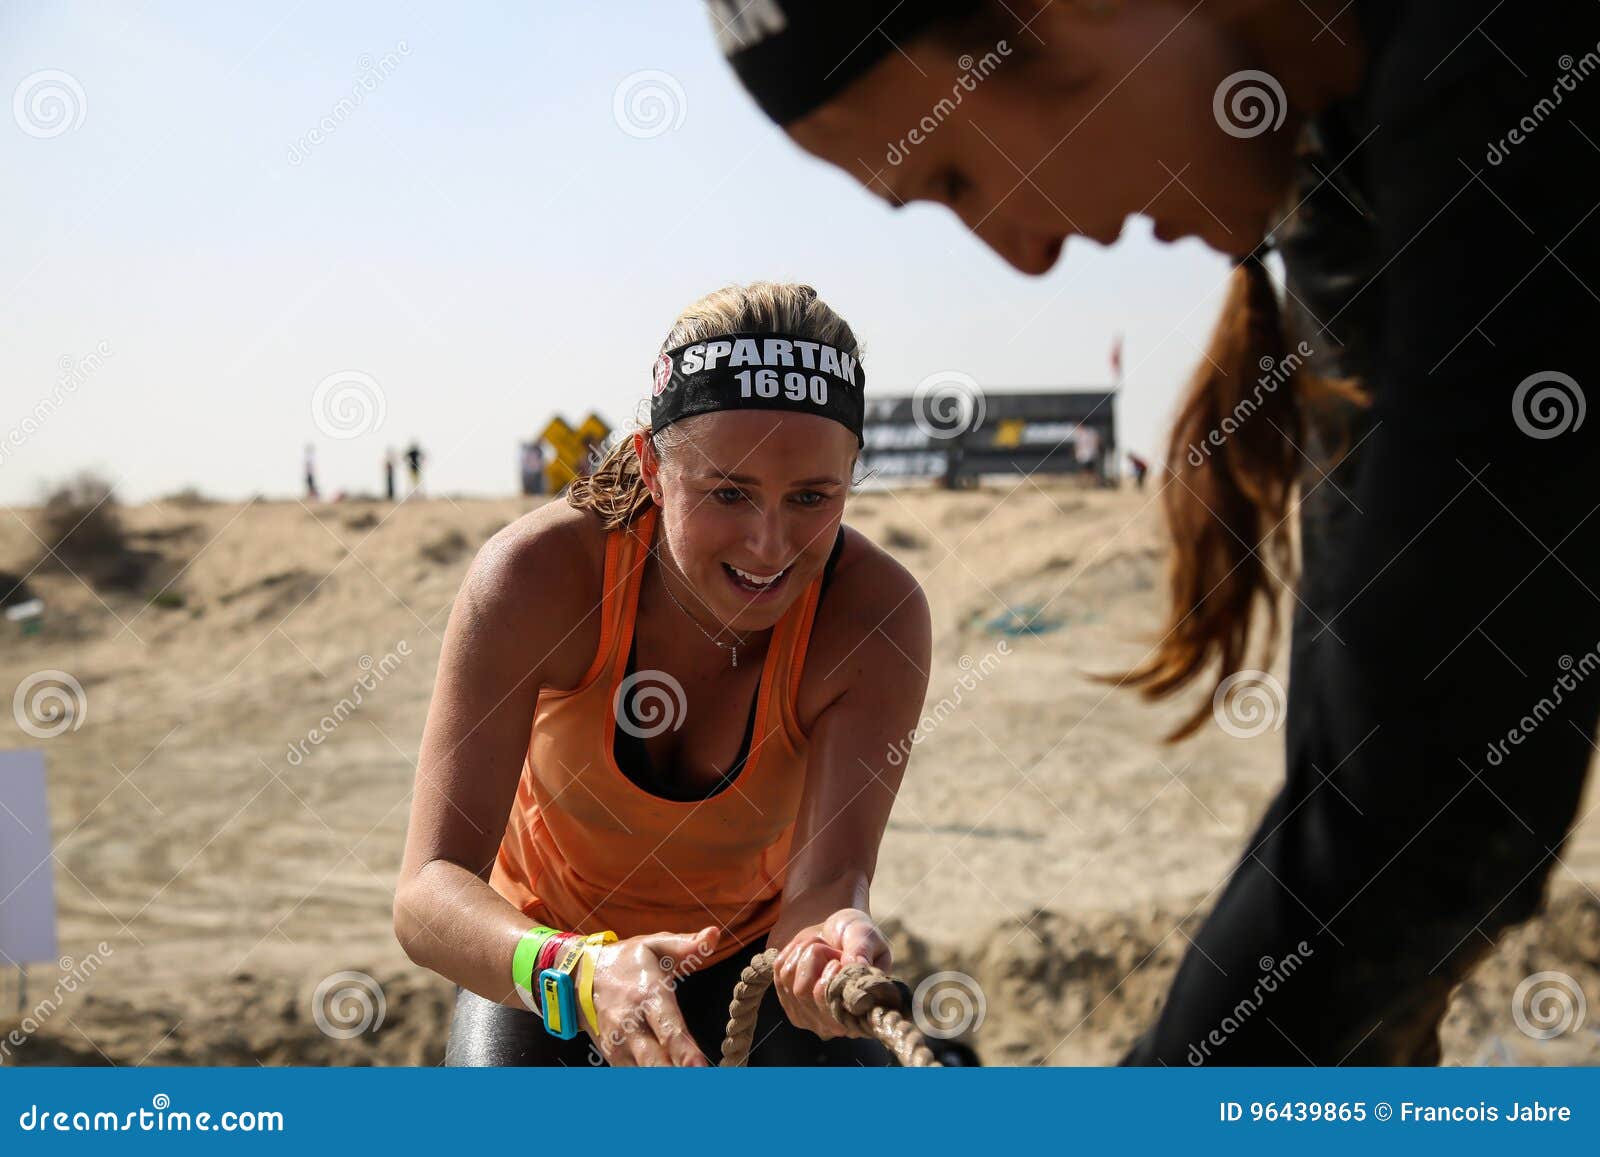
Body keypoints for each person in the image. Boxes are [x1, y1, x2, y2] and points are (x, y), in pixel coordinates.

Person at [709, 0, 1600, 1064]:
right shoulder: (1345, 163)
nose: (1024, 255)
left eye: (956, 178)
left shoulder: (1505, 64)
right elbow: (1369, 759)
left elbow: (1432, 785)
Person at [394, 282, 933, 1066]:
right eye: (728, 492)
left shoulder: (875, 617)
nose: (769, 544)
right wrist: (576, 973)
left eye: (813, 496)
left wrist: (827, 938)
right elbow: (427, 893)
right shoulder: (535, 579)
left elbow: (825, 886)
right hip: (546, 963)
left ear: (853, 475)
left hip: (746, 960)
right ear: (650, 464)